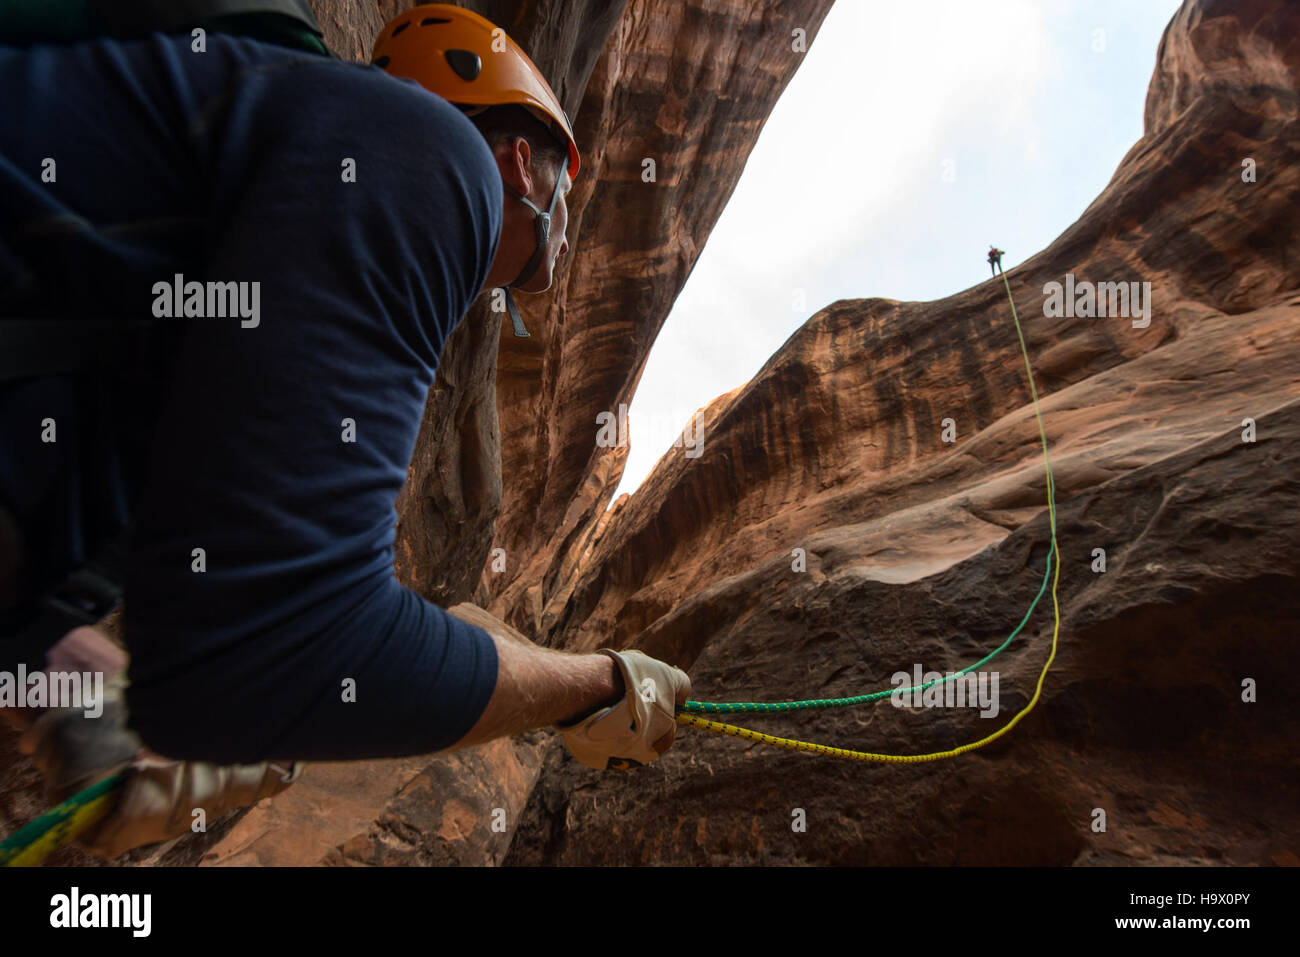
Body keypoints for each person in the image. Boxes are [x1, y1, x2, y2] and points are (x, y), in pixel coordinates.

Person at [0, 2, 690, 859]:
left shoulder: (230, 217)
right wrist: (598, 686)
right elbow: (294, 643)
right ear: (520, 160)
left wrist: (68, 677)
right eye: (567, 193)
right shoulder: (436, 157)